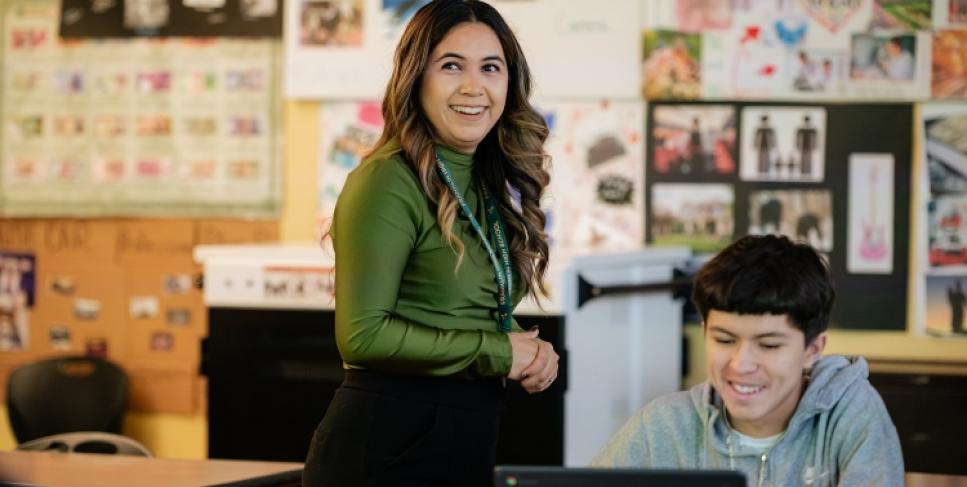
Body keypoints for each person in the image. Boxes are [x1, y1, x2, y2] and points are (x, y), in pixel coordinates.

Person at [302, 1, 559, 486]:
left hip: (461, 432)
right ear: (416, 76)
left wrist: (525, 343)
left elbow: (458, 307)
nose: (472, 86)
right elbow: (362, 336)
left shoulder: (481, 180)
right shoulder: (386, 180)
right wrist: (501, 353)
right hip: (387, 445)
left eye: (490, 67)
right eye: (450, 66)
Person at [592, 235, 904, 487]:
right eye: (724, 340)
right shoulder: (662, 426)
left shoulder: (851, 415)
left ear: (812, 349)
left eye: (768, 345)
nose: (741, 365)